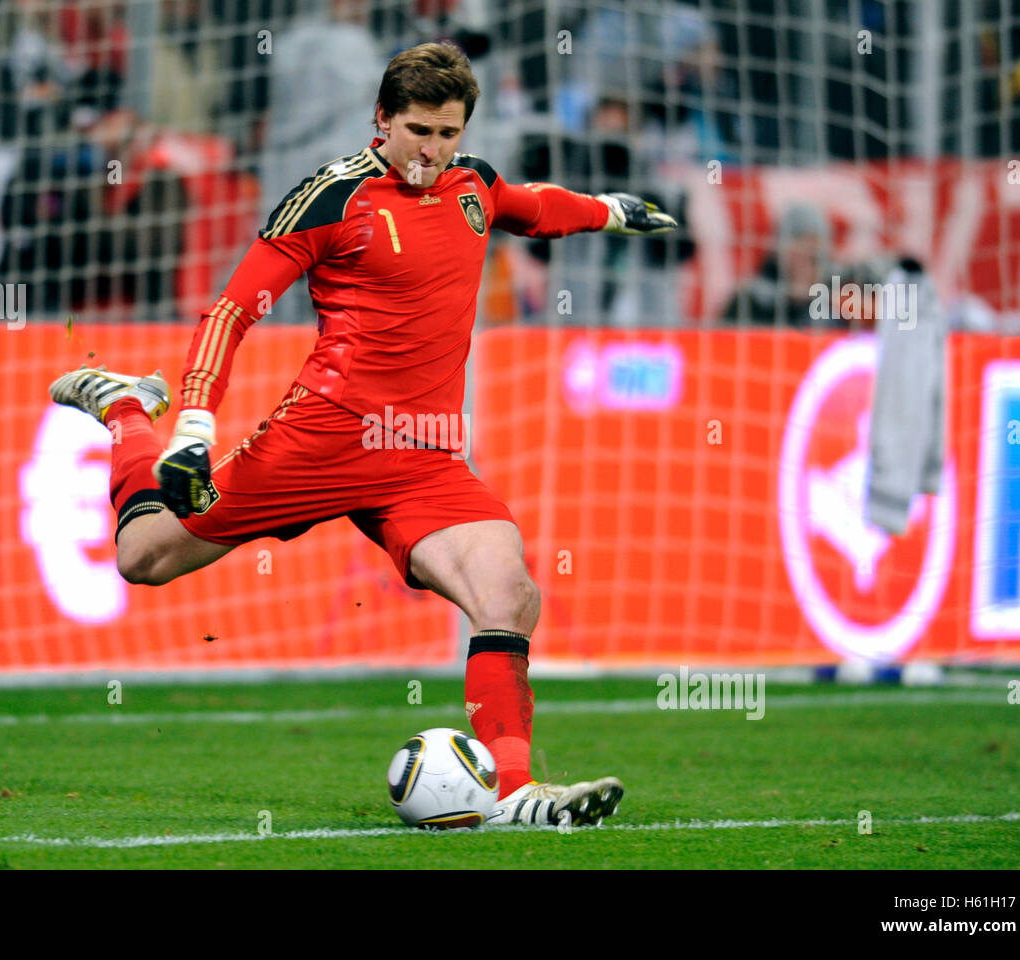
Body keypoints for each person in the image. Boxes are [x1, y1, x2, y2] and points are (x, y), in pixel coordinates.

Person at [49, 41, 676, 827]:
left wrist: (609, 211)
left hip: (424, 458)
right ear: (380, 120)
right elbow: (231, 312)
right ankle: (124, 410)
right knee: (143, 558)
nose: (433, 151)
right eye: (419, 131)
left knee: (510, 594)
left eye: (449, 134)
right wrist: (195, 420)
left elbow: (534, 207)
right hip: (321, 440)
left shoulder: (472, 186)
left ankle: (513, 792)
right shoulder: (329, 199)